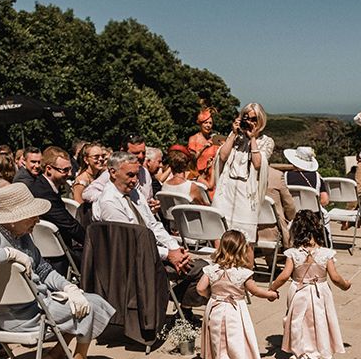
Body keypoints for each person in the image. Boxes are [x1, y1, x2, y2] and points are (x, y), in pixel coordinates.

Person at [0, 183, 114, 359]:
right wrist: (7, 254)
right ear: (13, 219)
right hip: (19, 315)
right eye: (32, 215)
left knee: (85, 300)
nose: (37, 220)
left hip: (38, 305)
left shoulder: (21, 235)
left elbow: (43, 270)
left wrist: (68, 287)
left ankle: (56, 355)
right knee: (90, 306)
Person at [93, 151, 207, 314]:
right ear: (113, 172)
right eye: (130, 175)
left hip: (151, 251)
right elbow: (131, 243)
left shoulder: (134, 192)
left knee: (205, 269)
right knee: (204, 271)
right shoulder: (109, 202)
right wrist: (168, 254)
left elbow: (153, 225)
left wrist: (174, 248)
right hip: (133, 259)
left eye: (136, 175)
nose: (135, 180)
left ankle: (182, 308)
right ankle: (176, 305)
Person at [270, 210, 351, 359]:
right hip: (319, 293)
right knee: (317, 324)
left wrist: (272, 288)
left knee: (299, 323)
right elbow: (335, 277)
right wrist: (345, 285)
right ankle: (305, 357)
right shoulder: (326, 253)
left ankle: (299, 355)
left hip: (298, 290)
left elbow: (284, 275)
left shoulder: (293, 253)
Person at [196, 230, 278, 359]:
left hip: (215, 308)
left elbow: (200, 288)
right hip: (233, 311)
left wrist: (211, 296)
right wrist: (271, 294)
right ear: (242, 250)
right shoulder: (242, 273)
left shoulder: (211, 270)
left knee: (217, 340)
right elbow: (255, 291)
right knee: (231, 341)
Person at [213, 103, 274, 244]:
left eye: (254, 120)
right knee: (220, 234)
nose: (251, 123)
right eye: (247, 118)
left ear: (261, 121)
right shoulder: (235, 137)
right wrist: (233, 133)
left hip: (247, 194)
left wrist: (252, 138)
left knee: (247, 240)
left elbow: (258, 164)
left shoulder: (266, 141)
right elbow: (222, 157)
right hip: (227, 190)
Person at [30, 146, 85, 274]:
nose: (70, 174)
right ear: (49, 169)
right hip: (56, 257)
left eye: (70, 169)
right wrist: (93, 241)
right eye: (64, 170)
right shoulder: (45, 194)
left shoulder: (40, 185)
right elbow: (71, 226)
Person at [283, 146, 331, 245]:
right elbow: (325, 200)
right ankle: (326, 244)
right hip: (314, 214)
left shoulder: (285, 176)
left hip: (292, 213)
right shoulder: (317, 177)